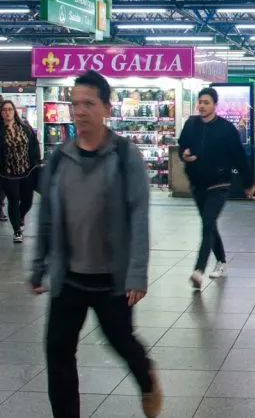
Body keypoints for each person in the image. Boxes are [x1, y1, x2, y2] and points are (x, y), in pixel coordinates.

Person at [29, 70, 162, 418]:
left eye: (89, 104)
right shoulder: (59, 158)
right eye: (75, 104)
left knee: (121, 342)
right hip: (69, 278)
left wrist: (137, 273)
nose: (80, 111)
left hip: (111, 280)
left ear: (106, 107)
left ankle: (146, 378)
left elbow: (138, 216)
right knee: (58, 352)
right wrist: (39, 265)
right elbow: (47, 217)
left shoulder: (124, 154)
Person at [178, 86, 254, 290]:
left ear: (214, 105)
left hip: (219, 182)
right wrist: (184, 155)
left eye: (206, 102)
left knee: (208, 223)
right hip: (197, 182)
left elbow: (239, 157)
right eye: (200, 102)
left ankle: (199, 270)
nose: (202, 106)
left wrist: (248, 183)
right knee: (209, 223)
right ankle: (221, 260)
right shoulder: (191, 124)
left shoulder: (226, 129)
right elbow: (182, 145)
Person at [0, 99, 41, 243]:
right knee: (13, 200)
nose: (7, 112)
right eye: (4, 110)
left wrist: (37, 162)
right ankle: (17, 231)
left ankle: (20, 216)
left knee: (27, 201)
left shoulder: (24, 127)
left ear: (14, 111)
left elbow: (34, 145)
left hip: (27, 172)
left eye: (10, 109)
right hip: (8, 174)